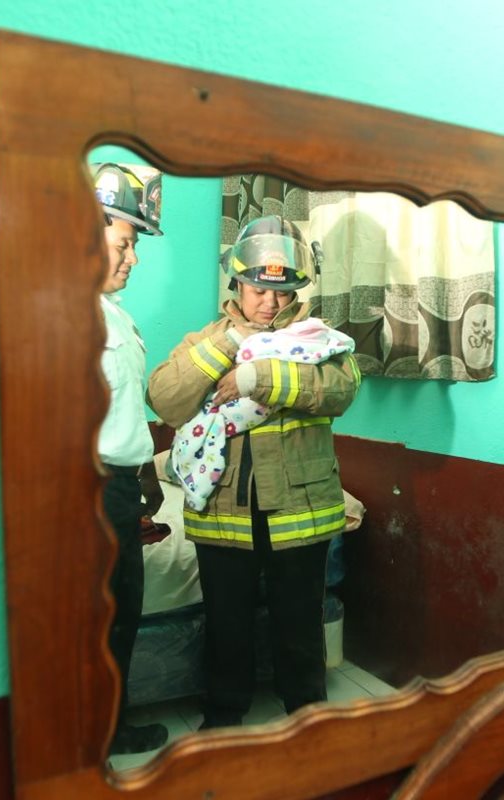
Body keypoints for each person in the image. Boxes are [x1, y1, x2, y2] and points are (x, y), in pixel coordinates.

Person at [148, 215, 361, 729]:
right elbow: (165, 399)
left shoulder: (320, 341)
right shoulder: (206, 339)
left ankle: (308, 720)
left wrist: (255, 375)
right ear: (237, 284)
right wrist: (230, 345)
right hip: (224, 515)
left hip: (300, 513)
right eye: (258, 289)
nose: (269, 302)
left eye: (282, 291)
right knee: (227, 625)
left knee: (299, 625)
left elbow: (339, 390)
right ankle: (222, 719)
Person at [91, 162, 168, 755]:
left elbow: (122, 410)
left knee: (123, 617)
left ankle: (109, 728)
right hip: (88, 492)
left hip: (120, 487)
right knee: (100, 621)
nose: (133, 258)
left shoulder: (115, 315)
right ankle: (96, 735)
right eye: (125, 243)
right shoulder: (67, 314)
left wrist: (146, 474)